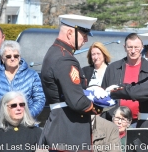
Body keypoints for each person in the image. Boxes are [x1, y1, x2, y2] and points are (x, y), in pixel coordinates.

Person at [39, 14, 109, 151]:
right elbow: (77, 101)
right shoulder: (64, 59)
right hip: (69, 131)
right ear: (70, 32)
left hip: (62, 128)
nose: (86, 39)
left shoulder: (56, 53)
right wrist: (103, 106)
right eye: (84, 35)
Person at [101, 33, 148, 127]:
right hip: (115, 122)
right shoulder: (113, 68)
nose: (133, 51)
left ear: (142, 47)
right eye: (130, 47)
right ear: (124, 47)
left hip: (140, 122)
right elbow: (103, 95)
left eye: (136, 47)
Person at [0, 40, 45, 118]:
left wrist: (25, 116)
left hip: (26, 123)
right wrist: (2, 116)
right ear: (2, 58)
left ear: (20, 57)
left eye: (16, 56)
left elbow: (40, 100)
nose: (12, 58)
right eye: (8, 56)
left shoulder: (32, 75)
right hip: (0, 122)